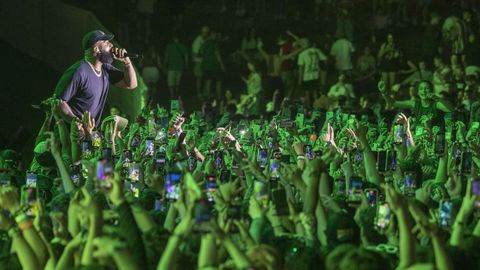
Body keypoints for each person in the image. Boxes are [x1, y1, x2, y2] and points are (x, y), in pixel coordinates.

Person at [54, 30, 137, 128]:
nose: (111, 44)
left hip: (92, 133)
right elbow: (58, 102)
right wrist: (78, 123)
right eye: (106, 42)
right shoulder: (79, 71)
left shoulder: (105, 68)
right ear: (96, 49)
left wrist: (127, 62)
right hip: (74, 136)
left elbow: (131, 84)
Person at [298, 38, 327, 107]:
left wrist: (300, 80)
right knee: (315, 92)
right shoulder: (317, 51)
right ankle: (317, 108)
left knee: (307, 93)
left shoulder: (302, 54)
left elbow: (301, 69)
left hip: (306, 77)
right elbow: (325, 59)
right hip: (315, 75)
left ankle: (308, 108)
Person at [164, 33, 188, 99]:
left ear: (174, 38)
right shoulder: (183, 46)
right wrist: (186, 65)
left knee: (171, 84)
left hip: (171, 67)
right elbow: (186, 57)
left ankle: (172, 96)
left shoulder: (169, 46)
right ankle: (176, 95)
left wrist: (165, 65)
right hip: (179, 67)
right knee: (178, 83)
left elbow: (166, 56)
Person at [192, 26, 210, 98]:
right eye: (205, 32)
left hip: (203, 62)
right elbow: (195, 54)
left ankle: (204, 92)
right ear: (202, 32)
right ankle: (199, 93)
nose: (206, 34)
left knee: (204, 78)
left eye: (207, 33)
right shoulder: (197, 41)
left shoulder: (203, 40)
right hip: (198, 62)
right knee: (199, 79)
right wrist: (204, 55)